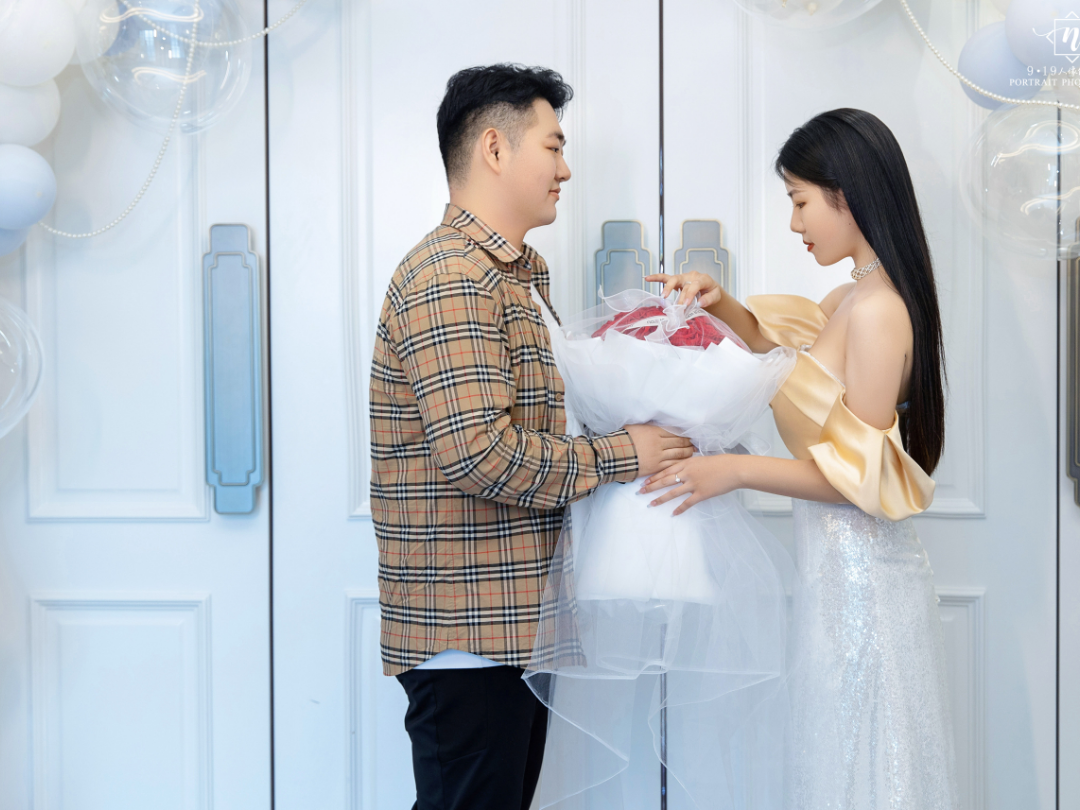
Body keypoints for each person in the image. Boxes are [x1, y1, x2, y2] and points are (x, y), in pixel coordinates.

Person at [369, 63, 693, 810]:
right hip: (468, 629)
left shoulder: (513, 274)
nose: (565, 169)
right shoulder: (452, 276)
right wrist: (627, 453)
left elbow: (539, 423)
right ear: (494, 148)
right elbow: (481, 454)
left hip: (514, 621)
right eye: (553, 146)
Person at [643, 108, 959, 809]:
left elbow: (858, 479)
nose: (794, 223)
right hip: (839, 579)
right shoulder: (850, 297)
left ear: (846, 193)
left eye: (800, 201)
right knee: (841, 762)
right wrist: (722, 304)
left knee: (868, 770)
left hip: (867, 587)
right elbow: (792, 366)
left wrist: (733, 471)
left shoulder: (877, 312)